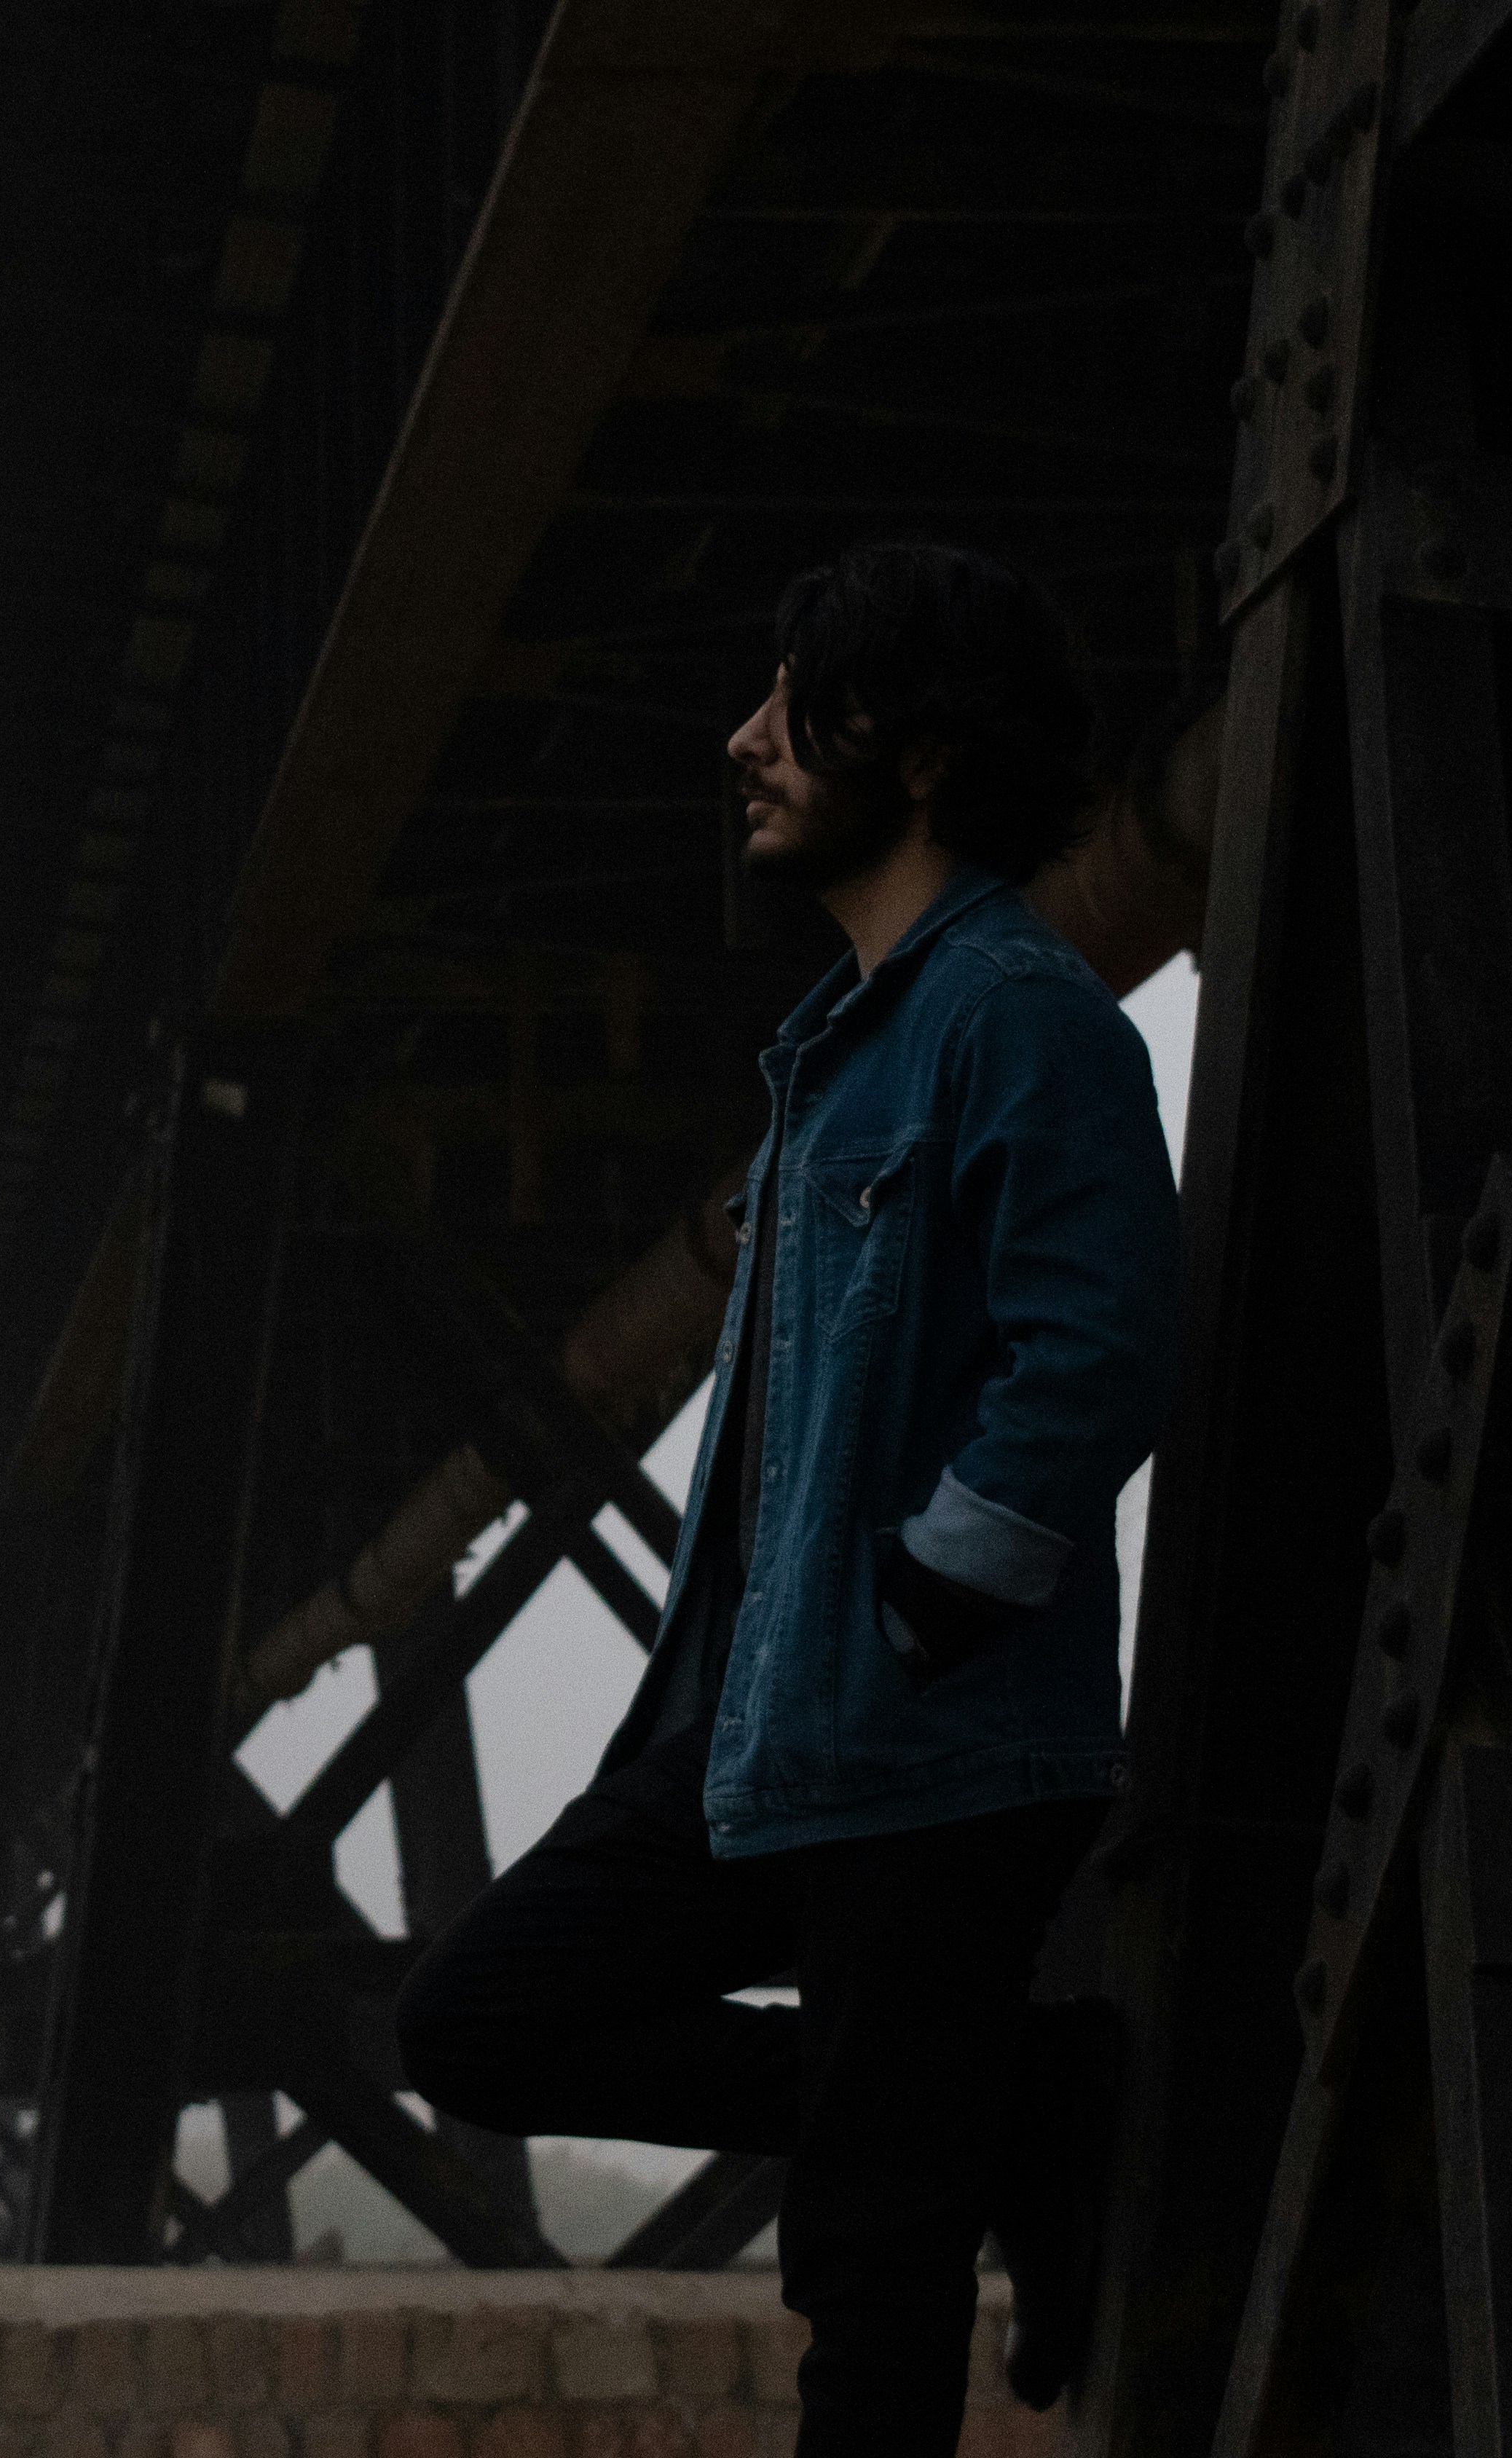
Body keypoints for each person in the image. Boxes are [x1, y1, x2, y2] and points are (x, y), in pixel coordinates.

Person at [395, 540, 1183, 2455]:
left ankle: (950, 2112)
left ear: (915, 758)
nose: (741, 741)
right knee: (472, 2028)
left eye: (789, 705)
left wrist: (935, 1599)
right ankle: (1006, 2100)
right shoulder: (834, 1056)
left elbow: (1099, 1354)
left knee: (870, 2289)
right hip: (760, 1733)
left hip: (931, 1744)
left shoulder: (1022, 1014)